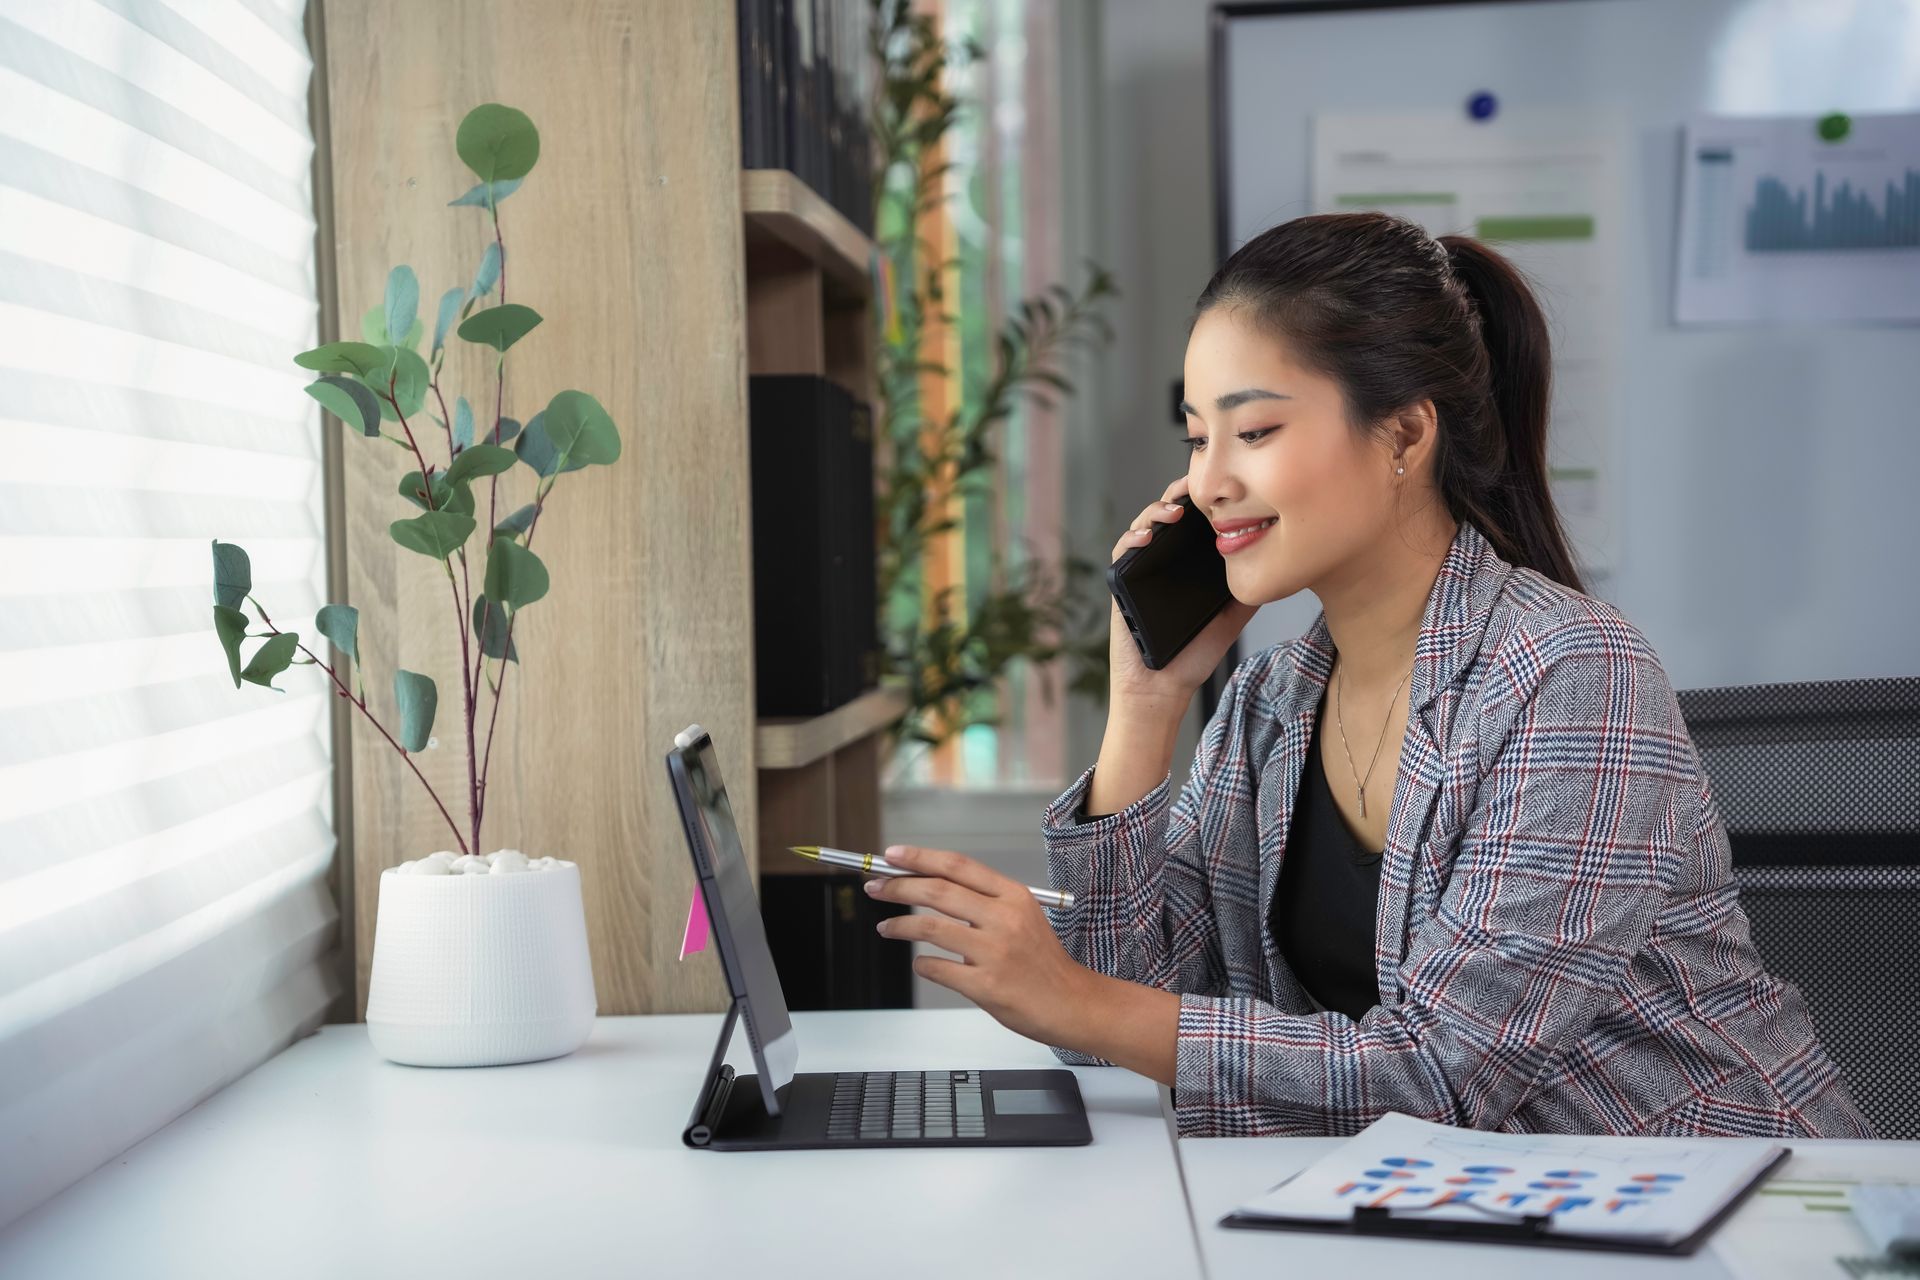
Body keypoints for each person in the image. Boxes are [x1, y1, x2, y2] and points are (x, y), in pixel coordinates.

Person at [864, 211, 1873, 1139]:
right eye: (1197, 435)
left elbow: (1447, 1073)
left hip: (1735, 1203)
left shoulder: (1572, 673)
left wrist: (1077, 997)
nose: (1210, 480)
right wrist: (1145, 702)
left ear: (1403, 433)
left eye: (1254, 431)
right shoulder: (1270, 704)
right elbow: (1111, 1023)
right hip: (1497, 1214)